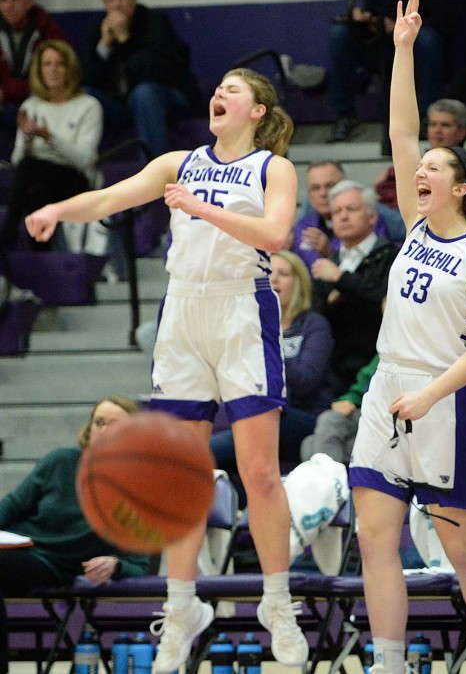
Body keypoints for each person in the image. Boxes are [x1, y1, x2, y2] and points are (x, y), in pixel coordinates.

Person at [24, 66, 308, 673]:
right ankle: (181, 610)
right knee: (182, 474)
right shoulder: (179, 162)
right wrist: (55, 208)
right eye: (218, 88)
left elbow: (278, 233)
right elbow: (108, 198)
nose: (218, 95)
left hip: (241, 307)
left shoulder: (272, 167)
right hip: (182, 312)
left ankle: (277, 602)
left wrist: (204, 208)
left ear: (258, 110)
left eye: (233, 90)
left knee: (259, 470)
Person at [350, 0, 466, 674]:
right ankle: (388, 663)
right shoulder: (415, 227)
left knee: (463, 549)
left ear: (460, 188)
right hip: (387, 387)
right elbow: (400, 131)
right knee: (374, 539)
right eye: (418, 171)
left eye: (431, 171)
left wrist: (428, 397)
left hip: (445, 399)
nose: (417, 173)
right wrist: (403, 49)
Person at [0, 396, 155, 674]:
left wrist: (114, 563)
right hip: (14, 544)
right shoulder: (60, 461)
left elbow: (141, 566)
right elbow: (10, 507)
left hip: (50, 562)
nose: (104, 430)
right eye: (99, 423)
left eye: (114, 425)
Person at [211, 251, 334, 508]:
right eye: (266, 273)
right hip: (252, 415)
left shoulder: (314, 325)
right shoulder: (243, 327)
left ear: (298, 283)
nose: (273, 279)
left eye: (283, 274)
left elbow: (305, 383)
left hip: (299, 416)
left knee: (247, 430)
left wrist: (268, 339)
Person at [2, 40, 102, 262]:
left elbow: (84, 160)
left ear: (69, 69)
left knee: (30, 169)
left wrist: (49, 138)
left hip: (74, 181)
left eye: (59, 64)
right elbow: (17, 160)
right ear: (39, 70)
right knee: (34, 192)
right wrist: (27, 138)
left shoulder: (89, 105)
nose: (53, 70)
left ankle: (6, 241)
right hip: (37, 179)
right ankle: (44, 262)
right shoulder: (31, 106)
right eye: (47, 64)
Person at [325, 0, 459, 143]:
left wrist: (401, 26)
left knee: (427, 40)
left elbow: (445, 20)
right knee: (339, 34)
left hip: (419, 43)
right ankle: (345, 116)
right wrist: (366, 18)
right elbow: (373, 9)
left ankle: (426, 118)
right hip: (382, 43)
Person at [82, 0, 200, 158]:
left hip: (167, 96)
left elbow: (154, 74)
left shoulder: (155, 22)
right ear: (105, 4)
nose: (117, 4)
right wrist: (104, 47)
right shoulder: (98, 28)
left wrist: (125, 40)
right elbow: (87, 78)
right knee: (85, 95)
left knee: (144, 93)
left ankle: (153, 169)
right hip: (122, 103)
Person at [310, 180, 397, 398]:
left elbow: (385, 302)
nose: (343, 216)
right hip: (333, 371)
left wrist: (342, 279)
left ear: (372, 216)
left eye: (352, 209)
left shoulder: (391, 256)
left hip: (379, 366)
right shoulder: (327, 263)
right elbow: (313, 315)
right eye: (337, 211)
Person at [292, 160, 403, 269]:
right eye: (315, 188)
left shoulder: (367, 219)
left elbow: (372, 272)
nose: (323, 193)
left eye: (330, 186)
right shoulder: (302, 226)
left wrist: (330, 254)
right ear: (309, 194)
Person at [0, 0, 67, 126]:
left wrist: (6, 91)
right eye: (3, 0)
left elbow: (59, 74)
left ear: (29, 2)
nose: (9, 6)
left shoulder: (48, 29)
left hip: (38, 96)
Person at [300, 354, 379, 466]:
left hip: (392, 419)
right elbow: (361, 387)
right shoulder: (388, 350)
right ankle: (333, 479)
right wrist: (348, 400)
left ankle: (329, 480)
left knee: (310, 444)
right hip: (366, 412)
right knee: (325, 424)